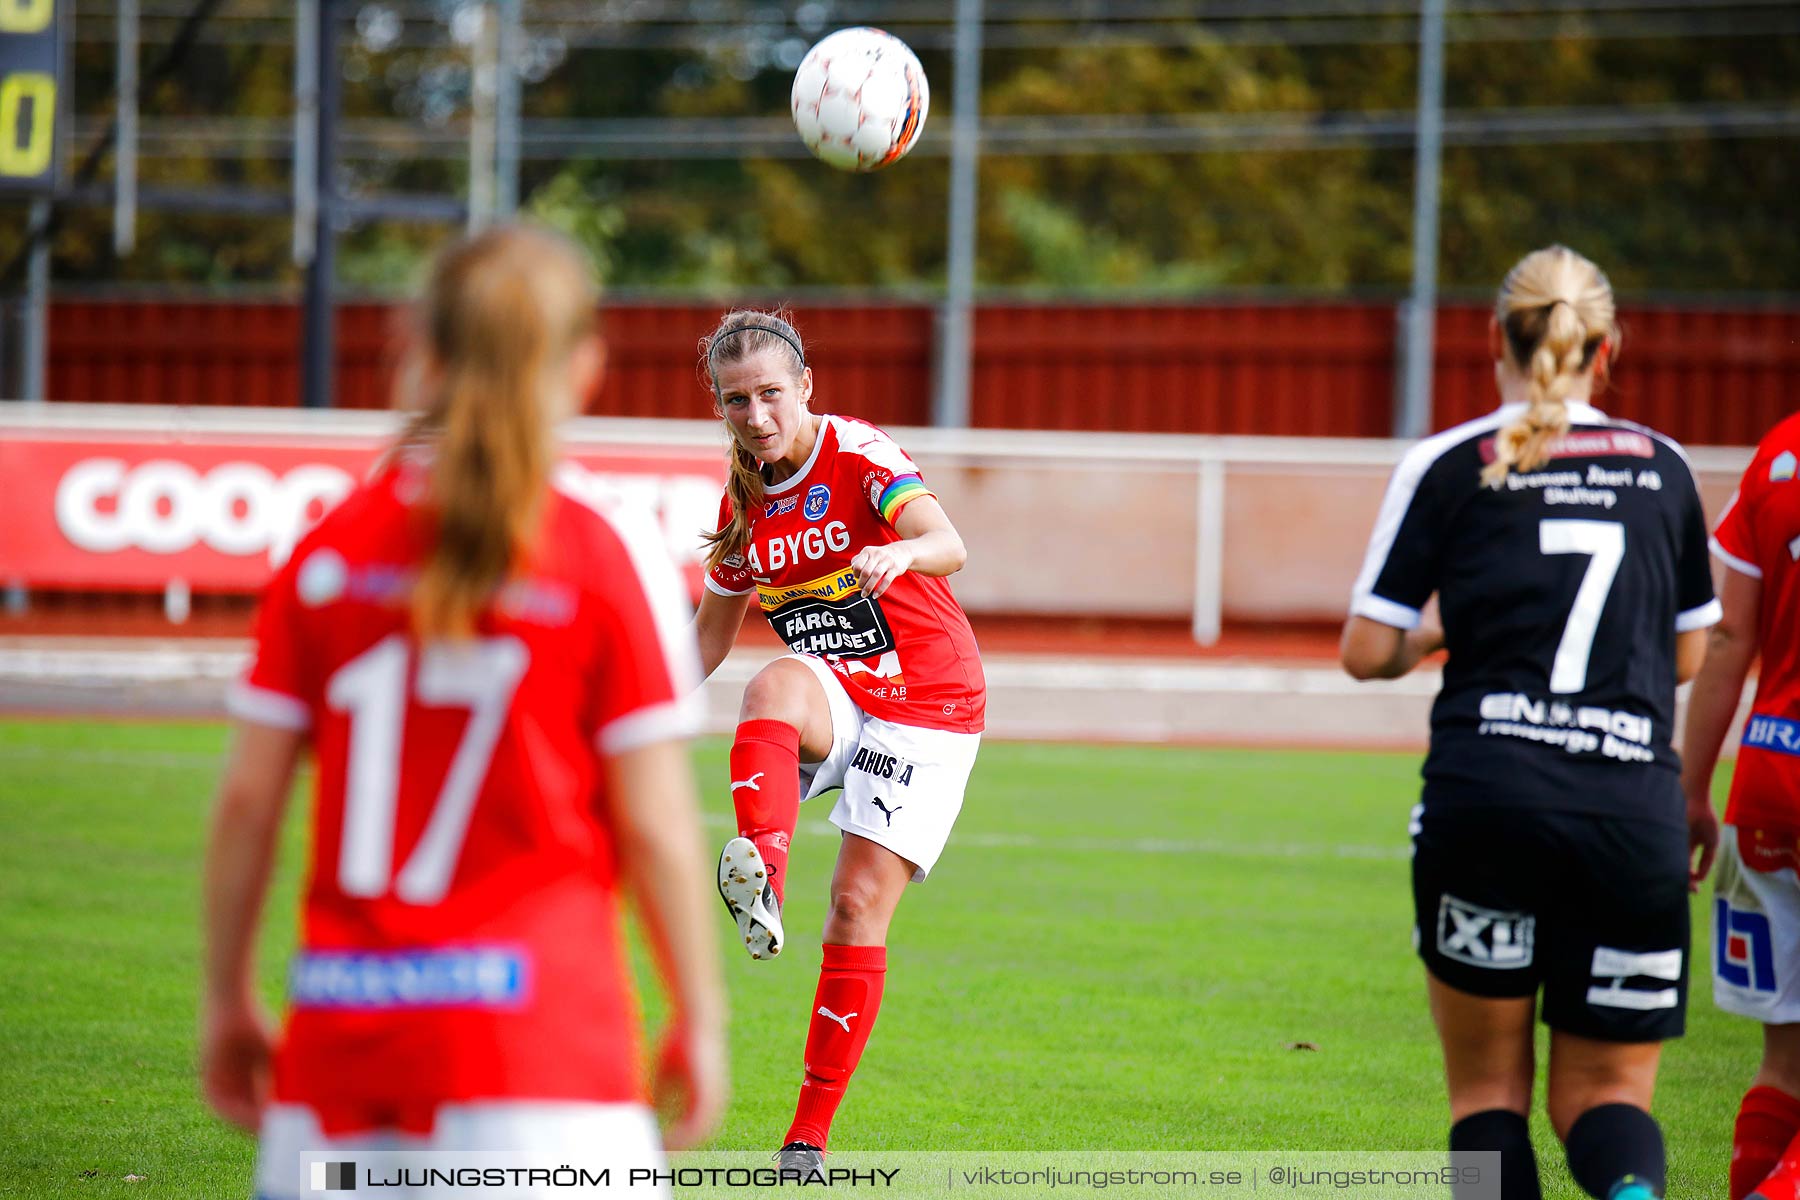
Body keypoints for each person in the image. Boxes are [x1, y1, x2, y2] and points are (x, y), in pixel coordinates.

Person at [199, 224, 725, 1198]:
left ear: (421, 352)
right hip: (547, 1075)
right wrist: (698, 1013)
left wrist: (226, 993)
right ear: (585, 369)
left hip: (341, 1078)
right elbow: (655, 825)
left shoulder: (329, 550)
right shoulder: (607, 553)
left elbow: (246, 804)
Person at [1340, 245, 1719, 1200]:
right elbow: (1685, 658)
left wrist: (1440, 632)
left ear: (1494, 339)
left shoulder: (1453, 462)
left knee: (1488, 1100)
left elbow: (1363, 648)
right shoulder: (1664, 469)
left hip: (1487, 803)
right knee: (1606, 1098)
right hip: (1631, 813)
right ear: (1609, 346)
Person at [688, 309, 984, 1169]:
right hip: (842, 690)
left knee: (856, 909)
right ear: (721, 407)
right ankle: (763, 881)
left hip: (928, 700)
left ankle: (807, 1138)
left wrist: (904, 556)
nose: (757, 416)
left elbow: (949, 542)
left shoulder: (856, 453)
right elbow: (707, 640)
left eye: (771, 394)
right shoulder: (744, 503)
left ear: (806, 387)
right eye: (736, 400)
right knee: (770, 681)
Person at [1679, 410, 1800, 1200]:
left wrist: (1690, 788)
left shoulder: (1780, 452)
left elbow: (1729, 641)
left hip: (1770, 773)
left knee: (1784, 1062)